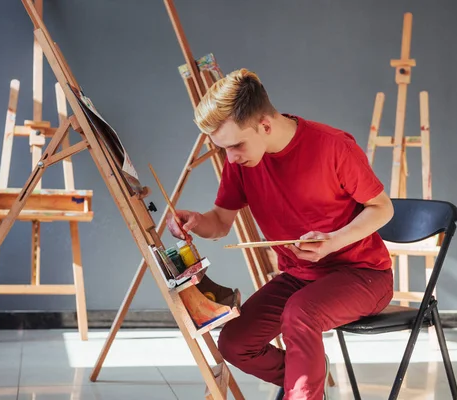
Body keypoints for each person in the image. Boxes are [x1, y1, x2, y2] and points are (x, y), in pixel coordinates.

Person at [165, 68, 395, 400]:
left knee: (301, 312)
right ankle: (309, 376)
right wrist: (196, 221)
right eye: (223, 150)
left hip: (364, 275)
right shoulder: (240, 162)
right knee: (234, 342)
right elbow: (220, 222)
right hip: (301, 278)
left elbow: (383, 208)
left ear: (265, 126)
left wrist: (335, 241)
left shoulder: (333, 146)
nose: (231, 157)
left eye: (236, 145)